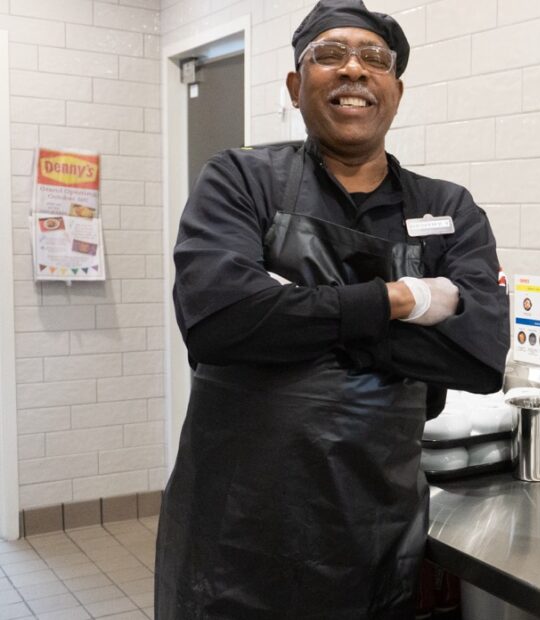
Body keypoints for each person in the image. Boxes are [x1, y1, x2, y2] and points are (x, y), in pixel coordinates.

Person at [154, 1, 509, 617]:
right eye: (329, 55)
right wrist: (400, 299)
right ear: (295, 86)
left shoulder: (449, 209)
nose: (353, 70)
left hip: (372, 536)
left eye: (375, 59)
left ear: (395, 89)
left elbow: (479, 356)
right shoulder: (241, 181)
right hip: (235, 541)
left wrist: (291, 308)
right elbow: (218, 321)